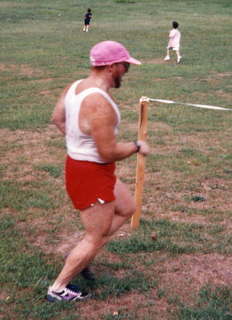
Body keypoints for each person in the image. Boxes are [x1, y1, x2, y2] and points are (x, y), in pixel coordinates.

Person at [47, 40, 150, 302]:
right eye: (125, 65)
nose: (127, 70)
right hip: (90, 173)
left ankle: (85, 253)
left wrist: (78, 143)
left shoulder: (75, 87)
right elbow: (109, 152)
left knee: (127, 207)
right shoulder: (98, 102)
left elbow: (58, 118)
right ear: (112, 67)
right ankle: (58, 289)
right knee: (96, 235)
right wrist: (137, 146)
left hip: (93, 169)